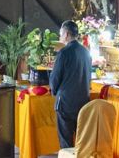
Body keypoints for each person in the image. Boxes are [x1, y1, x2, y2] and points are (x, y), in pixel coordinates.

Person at [49, 19, 92, 149]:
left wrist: (54, 91)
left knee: (66, 142)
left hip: (66, 103)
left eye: (61, 34)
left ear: (67, 34)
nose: (60, 37)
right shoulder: (86, 52)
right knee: (81, 140)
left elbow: (55, 78)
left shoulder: (64, 52)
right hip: (83, 102)